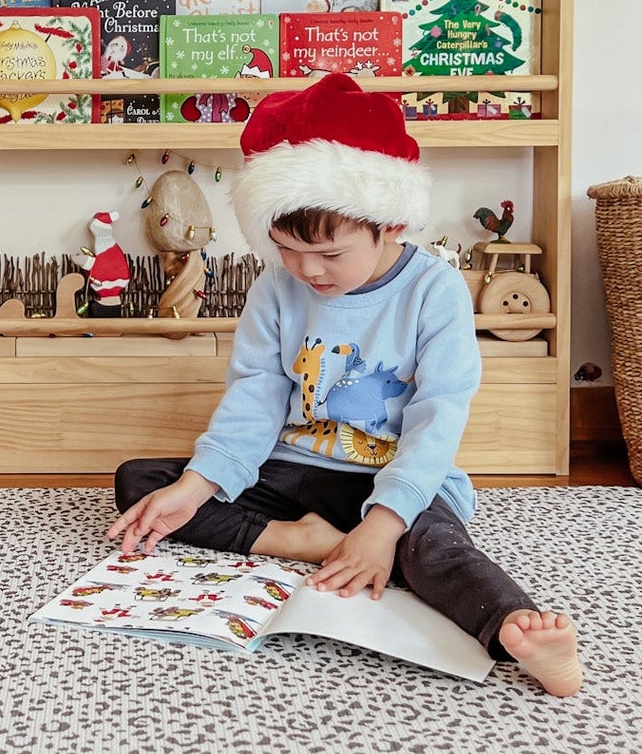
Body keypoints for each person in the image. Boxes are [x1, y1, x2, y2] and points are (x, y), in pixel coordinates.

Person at [106, 73, 583, 696]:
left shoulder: (434, 290)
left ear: (390, 225)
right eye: (285, 249)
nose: (307, 270)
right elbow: (255, 396)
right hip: (293, 468)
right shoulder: (277, 288)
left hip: (398, 480)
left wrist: (383, 525)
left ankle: (516, 626)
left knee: (431, 548)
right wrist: (197, 487)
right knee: (143, 485)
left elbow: (437, 416)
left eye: (330, 254)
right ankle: (309, 540)